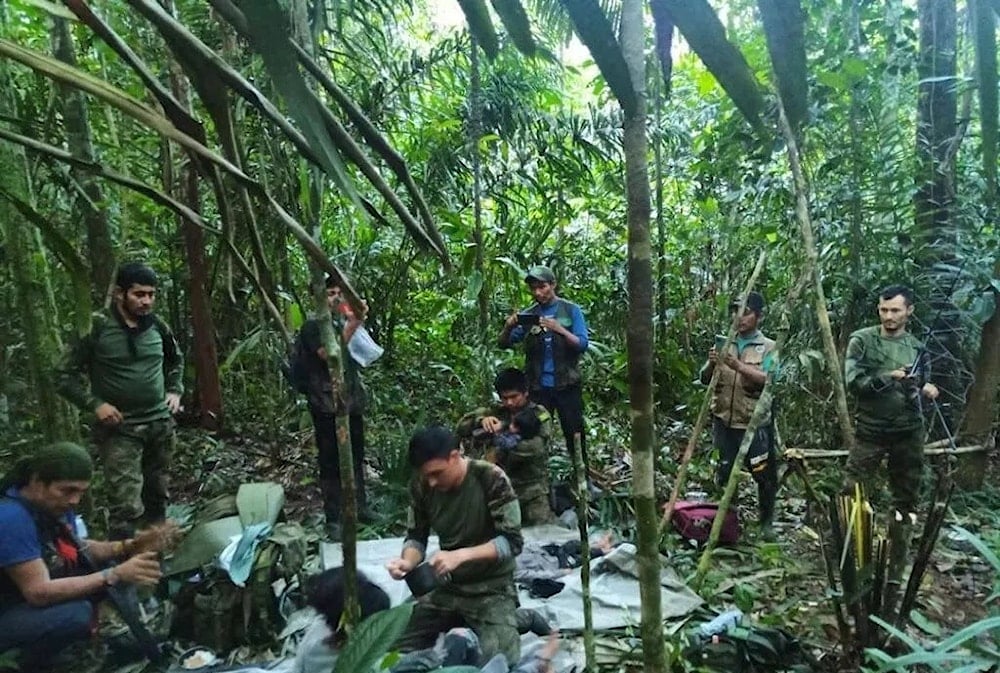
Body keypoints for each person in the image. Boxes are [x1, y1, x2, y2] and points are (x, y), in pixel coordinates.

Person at [0, 442, 174, 670]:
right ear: (37, 482)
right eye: (67, 490)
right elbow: (38, 592)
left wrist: (128, 546)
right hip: (10, 609)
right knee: (76, 614)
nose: (74, 500)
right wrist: (113, 575)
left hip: (25, 600)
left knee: (113, 569)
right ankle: (28, 663)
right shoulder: (11, 518)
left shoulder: (52, 506)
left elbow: (78, 547)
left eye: (81, 492)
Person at [56, 262, 183, 539]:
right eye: (139, 294)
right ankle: (125, 572)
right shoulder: (96, 327)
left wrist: (174, 390)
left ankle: (156, 563)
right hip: (121, 429)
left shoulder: (158, 326)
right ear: (119, 293)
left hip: (159, 425)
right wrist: (95, 404)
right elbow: (63, 376)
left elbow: (176, 361)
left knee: (158, 496)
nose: (146, 301)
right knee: (126, 506)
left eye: (151, 294)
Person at [387, 426, 523, 666]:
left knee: (500, 659)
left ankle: (520, 619)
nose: (431, 481)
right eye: (426, 475)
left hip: (491, 588)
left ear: (454, 456)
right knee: (388, 643)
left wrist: (460, 556)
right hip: (446, 588)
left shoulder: (490, 478)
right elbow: (417, 536)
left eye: (437, 473)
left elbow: (511, 542)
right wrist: (407, 561)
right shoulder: (422, 485)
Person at [844, 284, 939, 597]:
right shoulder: (863, 340)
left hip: (908, 432)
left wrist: (926, 389)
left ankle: (897, 562)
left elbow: (921, 384)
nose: (889, 316)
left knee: (906, 498)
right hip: (871, 430)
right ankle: (852, 557)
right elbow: (854, 382)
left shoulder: (917, 347)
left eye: (895, 310)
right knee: (854, 493)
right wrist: (889, 377)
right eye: (884, 310)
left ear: (909, 311)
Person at [699, 291, 779, 539]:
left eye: (745, 312)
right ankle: (729, 525)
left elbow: (770, 380)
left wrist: (737, 366)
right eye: (735, 311)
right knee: (725, 473)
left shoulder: (769, 347)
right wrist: (713, 363)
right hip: (724, 421)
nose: (739, 317)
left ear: (759, 316)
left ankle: (766, 523)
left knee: (763, 475)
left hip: (754, 423)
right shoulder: (726, 342)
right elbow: (704, 378)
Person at [300, 277, 373, 538]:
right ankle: (334, 517)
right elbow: (329, 354)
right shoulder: (313, 326)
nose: (336, 298)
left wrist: (355, 320)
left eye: (340, 293)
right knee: (331, 460)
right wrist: (353, 323)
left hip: (350, 400)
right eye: (330, 293)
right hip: (326, 403)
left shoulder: (342, 321)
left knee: (355, 454)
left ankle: (360, 507)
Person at [498, 266, 590, 470]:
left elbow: (582, 344)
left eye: (542, 286)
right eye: (534, 288)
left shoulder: (570, 310)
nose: (538, 292)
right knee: (533, 431)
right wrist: (508, 326)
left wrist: (560, 330)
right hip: (538, 388)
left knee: (574, 432)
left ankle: (583, 477)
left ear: (553, 285)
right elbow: (504, 343)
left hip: (567, 386)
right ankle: (538, 477)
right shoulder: (530, 314)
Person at [456, 368, 555, 525]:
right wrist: (481, 420)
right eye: (504, 398)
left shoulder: (539, 414)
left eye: (514, 397)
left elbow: (537, 448)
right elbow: (462, 426)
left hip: (531, 490)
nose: (509, 402)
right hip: (499, 491)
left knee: (543, 534)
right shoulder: (496, 411)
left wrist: (502, 439)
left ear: (525, 392)